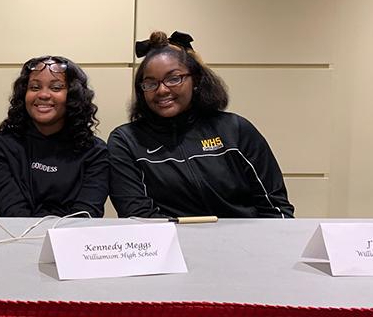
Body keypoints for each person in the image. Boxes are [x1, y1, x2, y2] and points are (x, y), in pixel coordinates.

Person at [108, 31, 295, 218]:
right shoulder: (126, 141)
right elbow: (138, 217)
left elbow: (276, 208)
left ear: (195, 80)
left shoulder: (235, 130)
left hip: (244, 243)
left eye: (174, 79)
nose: (162, 90)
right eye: (150, 83)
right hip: (171, 245)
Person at [0, 56, 109, 217]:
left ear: (73, 96)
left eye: (56, 88)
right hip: (19, 238)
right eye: (35, 87)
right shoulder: (0, 146)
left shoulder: (95, 152)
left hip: (71, 240)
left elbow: (85, 216)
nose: (43, 95)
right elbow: (12, 213)